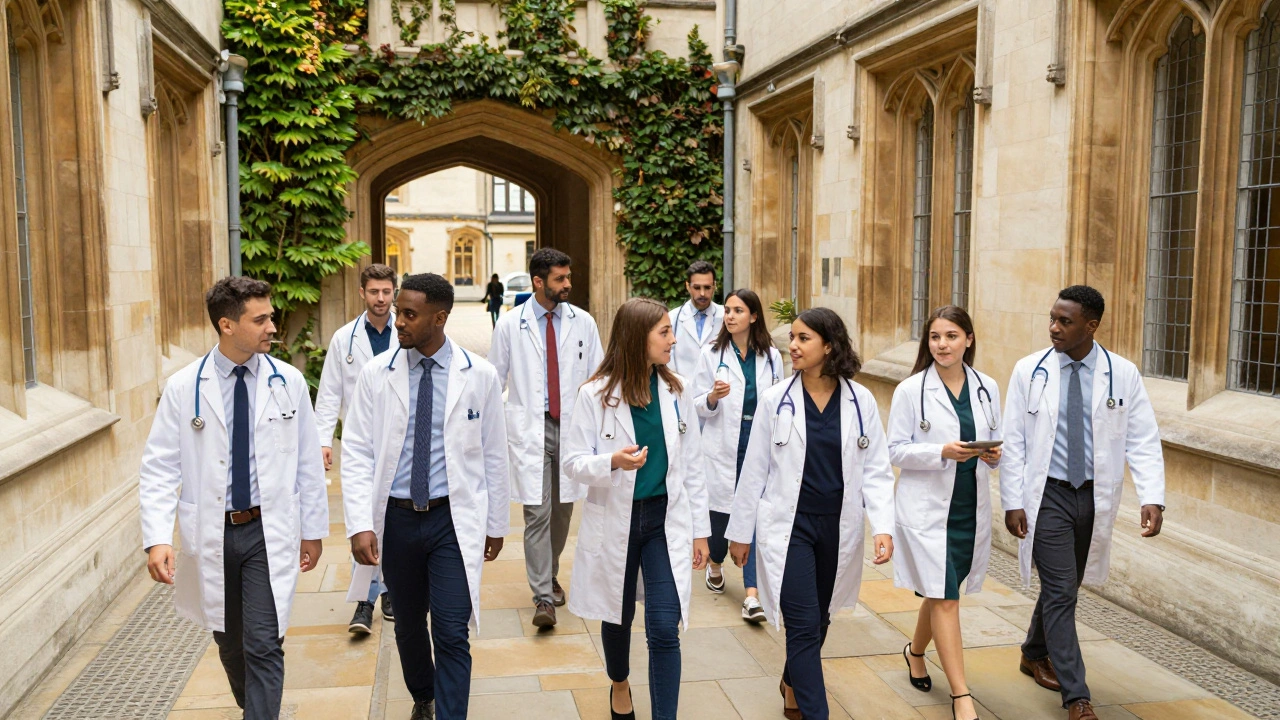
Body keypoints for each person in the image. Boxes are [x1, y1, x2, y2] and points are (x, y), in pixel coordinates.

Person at [139, 276, 328, 720]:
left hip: (267, 529)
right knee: (230, 641)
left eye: (271, 316)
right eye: (259, 319)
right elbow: (160, 466)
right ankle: (255, 704)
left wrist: (314, 531)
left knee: (265, 641)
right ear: (227, 325)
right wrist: (157, 538)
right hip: (213, 532)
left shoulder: (290, 382)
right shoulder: (185, 387)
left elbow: (306, 463)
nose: (271, 326)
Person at [341, 273, 511, 720]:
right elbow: (356, 450)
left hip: (451, 521)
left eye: (409, 314)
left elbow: (495, 454)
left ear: (440, 318)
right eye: (398, 311)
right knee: (410, 626)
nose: (398, 322)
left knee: (453, 631)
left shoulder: (481, 376)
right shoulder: (377, 375)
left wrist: (496, 524)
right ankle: (423, 695)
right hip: (396, 522)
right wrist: (360, 522)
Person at [1001, 285, 1166, 720]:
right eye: (1052, 318)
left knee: (1066, 585)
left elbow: (1142, 437)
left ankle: (1033, 651)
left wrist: (1153, 497)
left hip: (1094, 496)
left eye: (1065, 321)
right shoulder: (1028, 370)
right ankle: (1077, 696)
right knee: (1060, 590)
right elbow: (1014, 440)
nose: (1054, 327)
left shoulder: (1123, 373)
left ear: (1090, 326)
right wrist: (1013, 500)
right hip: (1047, 495)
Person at [727, 307, 895, 720]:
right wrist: (740, 531)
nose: (793, 346)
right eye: (794, 338)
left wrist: (883, 527)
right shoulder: (775, 400)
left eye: (803, 338)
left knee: (820, 619)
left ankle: (791, 681)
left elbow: (876, 468)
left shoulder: (861, 401)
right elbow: (754, 470)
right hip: (791, 526)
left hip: (839, 525)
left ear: (829, 345)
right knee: (802, 624)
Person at [563, 297, 711, 720]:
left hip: (665, 521)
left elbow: (693, 466)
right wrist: (611, 461)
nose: (673, 338)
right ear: (636, 338)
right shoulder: (595, 395)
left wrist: (701, 531)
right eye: (663, 332)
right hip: (618, 521)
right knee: (618, 612)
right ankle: (620, 681)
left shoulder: (676, 389)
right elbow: (573, 462)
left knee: (665, 627)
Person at [887, 305, 1003, 720]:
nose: (942, 345)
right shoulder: (911, 390)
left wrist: (992, 456)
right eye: (935, 337)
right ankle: (962, 696)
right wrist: (940, 451)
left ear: (968, 340)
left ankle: (915, 651)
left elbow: (996, 447)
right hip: (926, 510)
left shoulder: (987, 387)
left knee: (941, 590)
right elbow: (894, 450)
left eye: (952, 336)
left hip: (968, 507)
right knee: (945, 597)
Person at [490, 248, 604, 628]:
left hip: (572, 427)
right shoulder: (510, 324)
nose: (568, 284)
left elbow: (598, 380)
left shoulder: (583, 323)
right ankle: (543, 597)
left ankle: (550, 572)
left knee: (562, 510)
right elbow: (494, 380)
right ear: (538, 282)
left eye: (568, 277)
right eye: (560, 279)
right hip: (530, 426)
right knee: (536, 512)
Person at [314, 263, 400, 634]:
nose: (380, 299)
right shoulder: (343, 339)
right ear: (362, 293)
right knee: (362, 521)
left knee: (394, 522)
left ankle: (392, 591)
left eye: (386, 292)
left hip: (400, 445)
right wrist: (321, 440)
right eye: (374, 292)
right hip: (360, 446)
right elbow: (330, 392)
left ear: (394, 292)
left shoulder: (408, 331)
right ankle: (364, 602)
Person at [691, 288, 784, 622]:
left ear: (754, 316)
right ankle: (715, 562)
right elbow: (696, 404)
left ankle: (752, 595)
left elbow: (780, 403)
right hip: (723, 444)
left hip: (759, 443)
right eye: (727, 310)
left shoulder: (772, 356)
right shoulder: (711, 353)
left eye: (738, 311)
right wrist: (713, 397)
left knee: (754, 514)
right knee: (719, 526)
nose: (729, 316)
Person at [668, 260, 723, 378]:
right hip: (682, 391)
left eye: (707, 287)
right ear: (688, 286)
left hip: (717, 392)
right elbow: (668, 360)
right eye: (697, 288)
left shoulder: (725, 317)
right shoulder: (672, 318)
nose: (702, 293)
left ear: (714, 286)